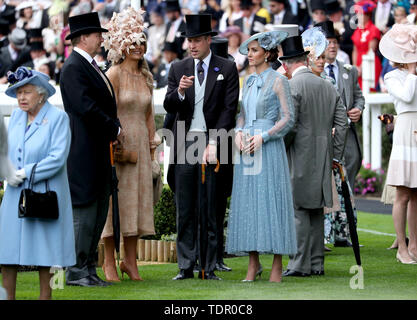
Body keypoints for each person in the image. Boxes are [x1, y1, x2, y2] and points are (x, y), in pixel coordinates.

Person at [163, 14, 239, 280]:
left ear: (208, 39)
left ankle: (209, 265)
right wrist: (180, 92)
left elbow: (229, 110)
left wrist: (214, 142)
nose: (192, 45)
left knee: (210, 206)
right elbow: (169, 106)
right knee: (185, 207)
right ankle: (185, 266)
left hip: (212, 142)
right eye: (189, 40)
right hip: (185, 141)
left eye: (196, 40)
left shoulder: (227, 68)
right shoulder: (177, 68)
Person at [225, 30, 298, 283]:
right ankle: (252, 264)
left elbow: (289, 118)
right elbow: (243, 114)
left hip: (268, 146)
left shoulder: (279, 81)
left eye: (254, 50)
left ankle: (277, 264)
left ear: (267, 53)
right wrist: (239, 132)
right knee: (248, 204)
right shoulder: (250, 81)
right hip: (247, 147)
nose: (249, 54)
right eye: (249, 50)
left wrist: (263, 136)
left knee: (272, 202)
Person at [0, 67, 76, 299]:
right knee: (8, 250)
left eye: (26, 92)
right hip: (15, 194)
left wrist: (25, 172)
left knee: (51, 254)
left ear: (41, 94)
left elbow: (57, 158)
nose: (21, 97)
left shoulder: (58, 118)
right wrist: (7, 170)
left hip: (47, 194)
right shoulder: (16, 117)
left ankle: (47, 297)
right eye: (18, 92)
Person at [60, 12, 122, 287]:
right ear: (83, 37)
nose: (101, 38)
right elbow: (86, 107)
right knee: (84, 213)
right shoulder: (74, 66)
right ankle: (75, 270)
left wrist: (113, 125)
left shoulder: (91, 65)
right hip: (84, 150)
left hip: (97, 150)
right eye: (97, 34)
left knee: (97, 212)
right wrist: (114, 128)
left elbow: (103, 102)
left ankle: (87, 268)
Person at [281, 35, 349, 277]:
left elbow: (290, 124)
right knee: (316, 210)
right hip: (324, 154)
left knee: (298, 209)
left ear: (288, 63)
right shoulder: (327, 85)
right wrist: (335, 154)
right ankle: (317, 263)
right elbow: (343, 123)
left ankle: (299, 264)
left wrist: (281, 147)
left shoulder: (292, 86)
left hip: (299, 153)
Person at [101, 7, 158, 282]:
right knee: (115, 204)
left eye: (142, 41)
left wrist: (153, 150)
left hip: (141, 152)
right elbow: (106, 112)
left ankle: (130, 262)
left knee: (136, 204)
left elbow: (150, 118)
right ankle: (109, 262)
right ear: (123, 44)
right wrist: (113, 141)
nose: (138, 46)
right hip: (119, 148)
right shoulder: (113, 74)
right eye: (133, 41)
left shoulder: (146, 77)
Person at [379, 23, 417, 264]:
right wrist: (412, 72)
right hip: (405, 130)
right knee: (402, 194)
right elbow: (406, 96)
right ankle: (401, 246)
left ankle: (415, 244)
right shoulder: (392, 76)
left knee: (416, 195)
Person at [317, 20, 365, 202]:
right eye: (328, 42)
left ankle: (348, 205)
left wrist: (358, 109)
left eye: (335, 42)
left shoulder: (349, 70)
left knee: (353, 162)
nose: (333, 46)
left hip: (347, 131)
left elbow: (360, 96)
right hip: (324, 131)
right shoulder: (314, 71)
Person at [351, 0, 382, 91]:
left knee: (369, 90)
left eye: (361, 14)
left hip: (370, 62)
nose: (358, 17)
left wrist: (361, 67)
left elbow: (371, 50)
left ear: (367, 15)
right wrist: (355, 67)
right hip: (359, 63)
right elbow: (355, 50)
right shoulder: (357, 30)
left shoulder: (374, 29)